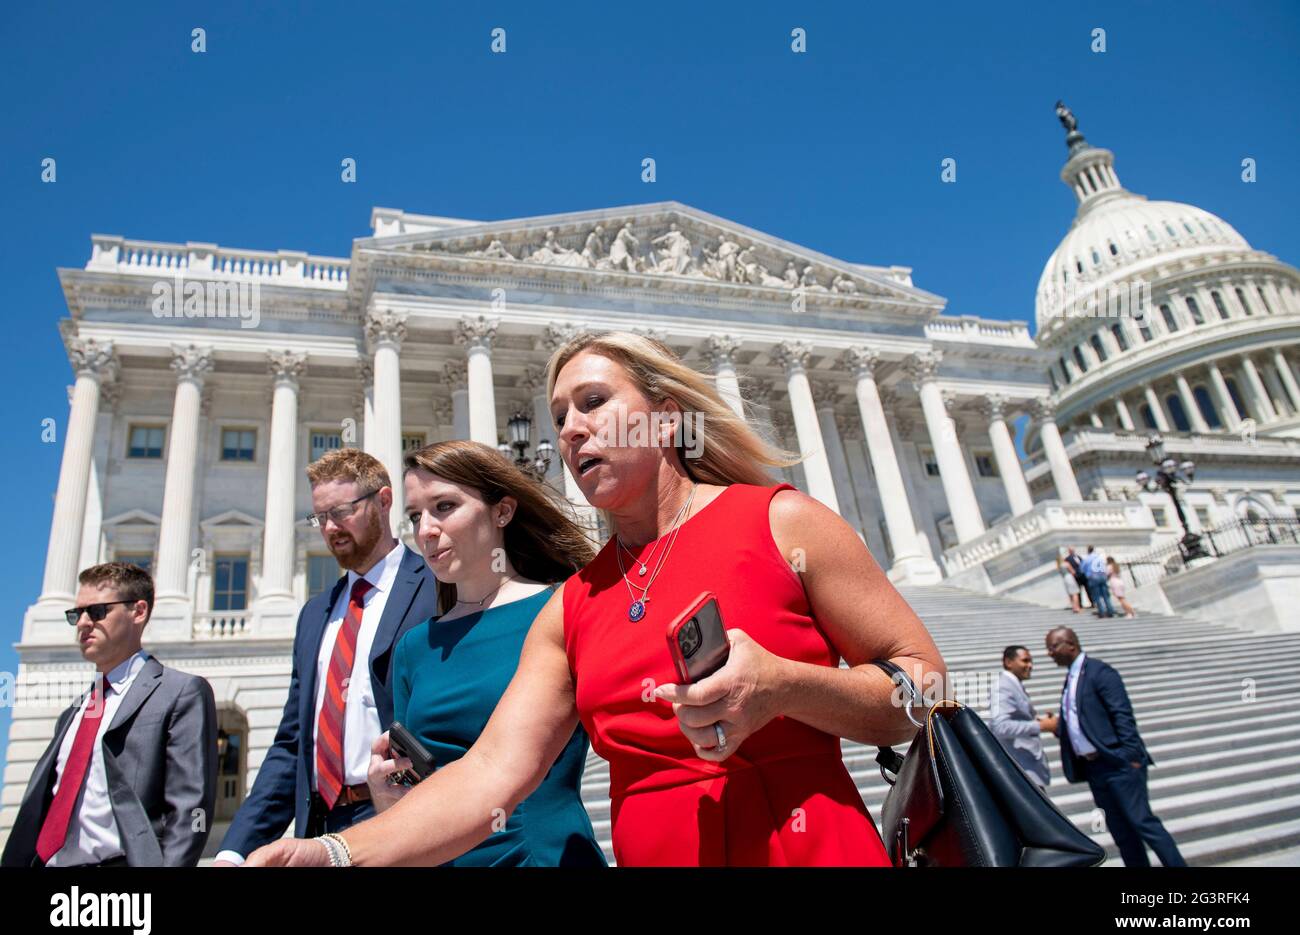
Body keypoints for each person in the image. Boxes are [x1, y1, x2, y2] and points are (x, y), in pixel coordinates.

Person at [246, 330, 947, 867]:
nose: (570, 429)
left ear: (666, 420)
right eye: (558, 416)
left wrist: (788, 686)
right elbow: (490, 773)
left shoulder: (780, 521)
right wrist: (336, 852)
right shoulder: (574, 604)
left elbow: (928, 688)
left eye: (593, 402)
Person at [366, 440, 606, 866]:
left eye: (444, 506)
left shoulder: (563, 610)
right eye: (416, 515)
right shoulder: (412, 648)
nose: (425, 530)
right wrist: (388, 801)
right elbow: (416, 788)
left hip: (544, 857)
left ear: (503, 511)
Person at [213, 449, 439, 865]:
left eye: (341, 512)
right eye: (320, 517)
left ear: (384, 501)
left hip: (397, 814)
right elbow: (292, 743)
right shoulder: (314, 614)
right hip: (319, 822)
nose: (330, 528)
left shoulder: (436, 588)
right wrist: (233, 851)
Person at [2, 562, 217, 867]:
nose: (83, 624)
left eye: (98, 611)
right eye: (77, 615)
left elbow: (191, 807)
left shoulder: (180, 692)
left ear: (138, 612)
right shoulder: (72, 714)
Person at [1045, 626, 1186, 867]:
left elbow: (1122, 715)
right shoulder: (1072, 678)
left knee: (1143, 823)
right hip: (1095, 769)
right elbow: (1084, 720)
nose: (1049, 653)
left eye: (1053, 647)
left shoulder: (1100, 672)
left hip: (1117, 764)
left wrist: (1130, 756)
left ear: (1071, 644)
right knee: (1122, 834)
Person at [989, 645, 1055, 793]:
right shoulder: (1003, 686)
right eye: (1025, 661)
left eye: (1031, 661)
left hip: (1024, 770)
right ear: (1008, 662)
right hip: (1020, 770)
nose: (1030, 665)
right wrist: (1040, 726)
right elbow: (1000, 727)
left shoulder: (1012, 684)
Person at [1080, 545, 1116, 618]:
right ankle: (1110, 610)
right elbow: (1104, 566)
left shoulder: (1086, 559)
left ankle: (1102, 612)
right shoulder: (1099, 557)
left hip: (1093, 577)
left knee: (1097, 596)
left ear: (1088, 551)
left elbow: (1082, 570)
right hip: (1102, 576)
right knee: (1106, 595)